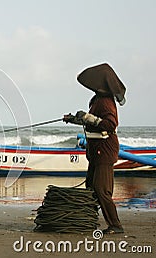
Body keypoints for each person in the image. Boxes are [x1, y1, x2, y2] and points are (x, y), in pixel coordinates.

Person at [63, 63, 126, 234]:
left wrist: (88, 117)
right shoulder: (97, 99)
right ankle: (88, 221)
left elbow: (110, 124)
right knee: (91, 187)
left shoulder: (105, 102)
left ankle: (115, 225)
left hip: (104, 150)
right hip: (96, 151)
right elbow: (92, 122)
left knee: (101, 189)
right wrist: (74, 119)